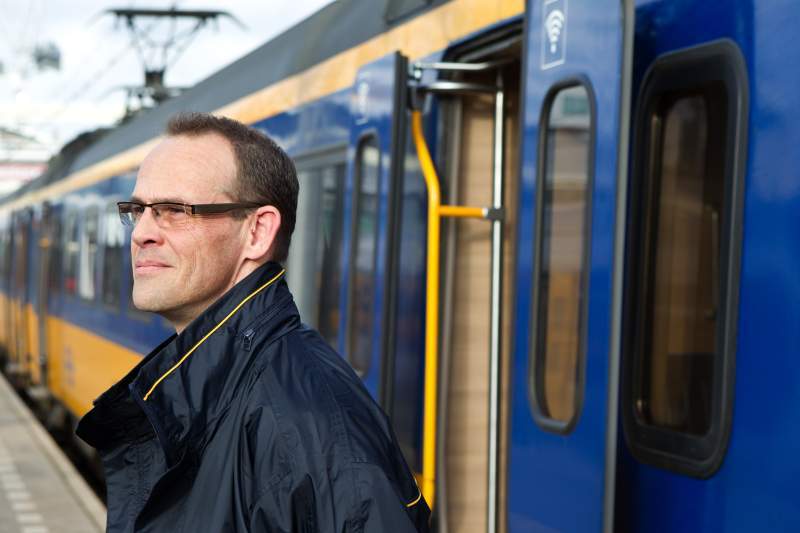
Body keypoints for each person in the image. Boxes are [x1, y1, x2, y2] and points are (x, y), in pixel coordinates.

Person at [76, 112, 430, 532]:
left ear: (258, 232)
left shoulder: (310, 423)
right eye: (138, 210)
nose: (141, 234)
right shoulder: (217, 391)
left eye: (174, 209)